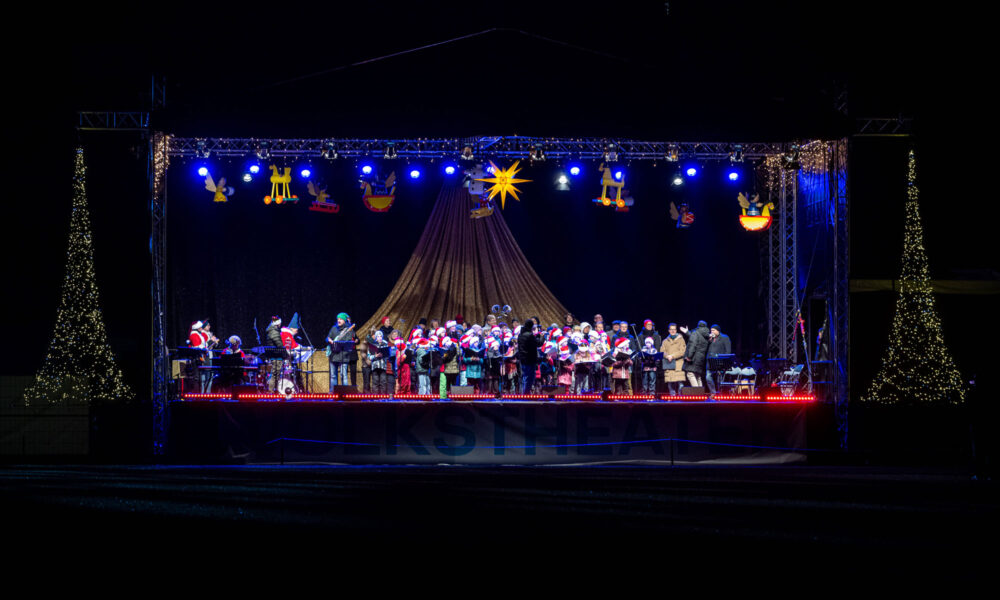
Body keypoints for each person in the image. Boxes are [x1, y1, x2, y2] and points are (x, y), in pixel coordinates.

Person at [326, 312, 354, 390]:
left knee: (343, 375)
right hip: (334, 354)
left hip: (343, 354)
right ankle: (333, 392)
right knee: (333, 375)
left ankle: (345, 393)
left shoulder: (348, 329)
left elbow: (347, 340)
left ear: (344, 320)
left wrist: (336, 342)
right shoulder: (333, 328)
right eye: (338, 319)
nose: (339, 320)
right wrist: (329, 340)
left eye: (341, 319)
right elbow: (328, 338)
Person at [660, 323, 687, 396]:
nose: (673, 331)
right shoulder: (665, 341)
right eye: (671, 329)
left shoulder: (681, 339)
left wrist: (673, 356)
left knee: (680, 382)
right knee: (670, 382)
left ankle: (680, 396)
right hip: (669, 364)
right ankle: (673, 397)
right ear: (669, 330)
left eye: (674, 329)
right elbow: (662, 351)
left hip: (678, 364)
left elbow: (683, 351)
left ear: (676, 330)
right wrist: (667, 356)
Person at [705, 324, 732, 395]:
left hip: (719, 361)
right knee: (708, 377)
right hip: (710, 361)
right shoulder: (710, 339)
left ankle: (720, 393)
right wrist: (709, 340)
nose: (712, 332)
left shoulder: (724, 338)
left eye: (713, 330)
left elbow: (728, 351)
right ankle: (713, 392)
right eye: (711, 330)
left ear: (718, 331)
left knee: (719, 379)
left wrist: (725, 360)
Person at [683, 320, 711, 389]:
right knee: (697, 375)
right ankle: (700, 394)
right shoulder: (706, 335)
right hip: (700, 358)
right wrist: (687, 332)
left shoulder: (696, 333)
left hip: (694, 357)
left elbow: (693, 345)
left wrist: (689, 356)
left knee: (690, 374)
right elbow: (697, 339)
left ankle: (697, 393)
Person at [517, 318, 540, 394]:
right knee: (529, 377)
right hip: (530, 359)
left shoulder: (520, 335)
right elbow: (538, 343)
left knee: (525, 377)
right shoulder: (530, 335)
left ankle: (524, 392)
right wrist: (541, 336)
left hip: (523, 359)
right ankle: (526, 394)